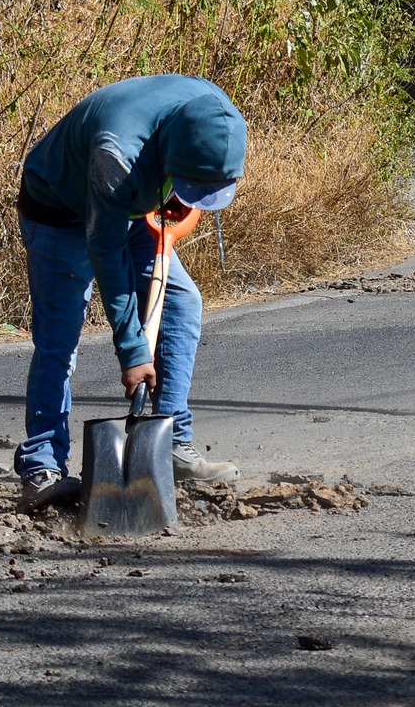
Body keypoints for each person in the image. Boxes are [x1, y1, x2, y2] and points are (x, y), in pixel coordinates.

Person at [13, 74, 247, 509]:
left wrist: (177, 192)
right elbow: (107, 254)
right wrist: (134, 352)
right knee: (59, 340)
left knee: (181, 301)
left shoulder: (216, 114)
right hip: (58, 208)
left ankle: (172, 440)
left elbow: (198, 174)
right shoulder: (116, 152)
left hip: (129, 205)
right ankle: (42, 468)